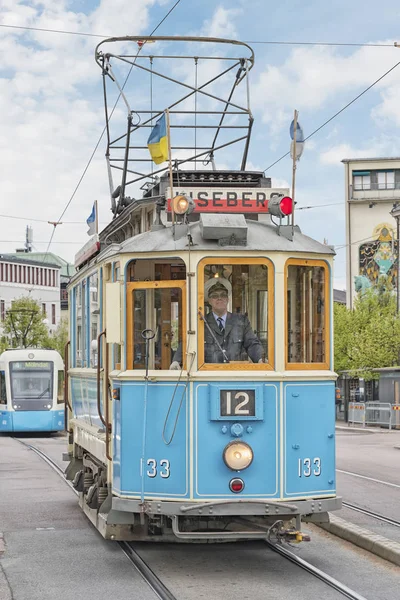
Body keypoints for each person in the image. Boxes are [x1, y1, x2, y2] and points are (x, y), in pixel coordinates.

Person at [170, 281, 264, 368]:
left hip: (235, 374)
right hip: (207, 374)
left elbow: (252, 343)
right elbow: (187, 344)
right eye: (215, 296)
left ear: (227, 299)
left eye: (223, 295)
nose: (219, 298)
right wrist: (176, 361)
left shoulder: (241, 321)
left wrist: (260, 359)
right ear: (209, 301)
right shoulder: (200, 322)